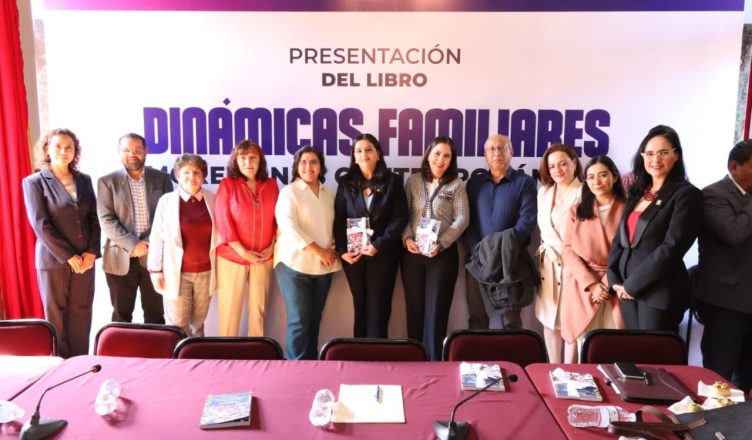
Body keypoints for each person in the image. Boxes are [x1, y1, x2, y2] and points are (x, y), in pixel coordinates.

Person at [608, 125, 702, 332]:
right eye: (650, 153)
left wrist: (632, 285)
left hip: (658, 294)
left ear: (676, 155)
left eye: (663, 153)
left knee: (653, 353)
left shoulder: (686, 194)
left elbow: (672, 247)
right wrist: (614, 279)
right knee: (632, 349)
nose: (656, 159)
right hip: (625, 290)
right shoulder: (638, 192)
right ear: (642, 156)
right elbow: (620, 239)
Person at [22, 128, 101, 357]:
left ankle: (79, 364)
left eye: (69, 147)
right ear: (47, 149)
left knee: (82, 314)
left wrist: (91, 253)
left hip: (85, 262)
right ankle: (60, 367)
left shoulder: (84, 180)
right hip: (53, 261)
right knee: (56, 317)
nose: (64, 151)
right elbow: (40, 224)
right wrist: (69, 256)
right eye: (58, 146)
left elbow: (94, 219)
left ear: (75, 151)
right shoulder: (34, 182)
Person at [401, 136, 469, 360]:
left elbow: (462, 219)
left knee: (436, 311)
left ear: (452, 160)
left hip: (442, 256)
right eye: (437, 153)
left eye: (446, 155)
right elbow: (404, 214)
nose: (441, 159)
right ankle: (414, 358)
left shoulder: (456, 185)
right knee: (415, 309)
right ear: (428, 155)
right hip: (413, 254)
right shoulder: (413, 181)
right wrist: (406, 238)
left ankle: (434, 361)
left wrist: (441, 243)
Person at [334, 134, 408, 338]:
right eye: (358, 151)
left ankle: (378, 350)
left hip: (383, 254)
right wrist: (342, 251)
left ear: (378, 154)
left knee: (379, 306)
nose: (363, 154)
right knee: (360, 304)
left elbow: (400, 217)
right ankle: (359, 350)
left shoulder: (393, 181)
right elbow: (339, 218)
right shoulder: (345, 182)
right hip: (354, 256)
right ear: (354, 156)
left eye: (368, 149)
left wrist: (378, 245)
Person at [462, 134, 537, 329]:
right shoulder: (474, 184)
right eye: (492, 149)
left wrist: (500, 249)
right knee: (477, 319)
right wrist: (480, 250)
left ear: (511, 152)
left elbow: (527, 222)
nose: (497, 153)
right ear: (485, 155)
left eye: (502, 148)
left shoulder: (525, 183)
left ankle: (511, 352)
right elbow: (466, 221)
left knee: (511, 321)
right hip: (478, 261)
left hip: (510, 260)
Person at [695, 139, 752, 393]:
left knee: (746, 382)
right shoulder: (712, 194)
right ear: (734, 167)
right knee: (719, 382)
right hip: (725, 305)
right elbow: (734, 234)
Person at [97, 133, 173, 324]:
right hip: (119, 257)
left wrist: (147, 244)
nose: (132, 154)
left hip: (155, 257)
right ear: (119, 152)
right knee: (121, 316)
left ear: (146, 150)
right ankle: (121, 345)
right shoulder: (107, 181)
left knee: (156, 315)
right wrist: (133, 245)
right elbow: (106, 219)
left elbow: (169, 216)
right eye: (126, 150)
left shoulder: (162, 179)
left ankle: (156, 346)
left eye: (137, 150)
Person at [274, 146, 341, 360]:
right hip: (294, 266)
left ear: (321, 166)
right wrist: (319, 251)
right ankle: (296, 368)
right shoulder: (289, 192)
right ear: (296, 166)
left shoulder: (329, 193)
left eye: (313, 162)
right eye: (303, 162)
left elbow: (334, 226)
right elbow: (290, 228)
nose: (308, 167)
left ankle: (311, 367)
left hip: (323, 267)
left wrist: (332, 250)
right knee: (299, 320)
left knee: (314, 321)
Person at [560, 156, 626, 357]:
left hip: (617, 284)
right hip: (583, 286)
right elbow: (567, 250)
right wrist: (593, 284)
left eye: (603, 175)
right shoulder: (578, 210)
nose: (596, 181)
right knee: (585, 348)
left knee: (614, 348)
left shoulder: (629, 210)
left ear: (614, 176)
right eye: (590, 177)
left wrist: (606, 283)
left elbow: (631, 251)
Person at [147, 154, 219, 337]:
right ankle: (178, 355)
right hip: (177, 273)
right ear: (177, 175)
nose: (192, 177)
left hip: (206, 272)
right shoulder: (167, 201)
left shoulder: (213, 199)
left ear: (203, 176)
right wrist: (155, 270)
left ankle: (197, 354)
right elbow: (157, 237)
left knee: (198, 323)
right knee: (178, 324)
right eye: (186, 172)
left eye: (197, 172)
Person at [215, 140, 279, 337]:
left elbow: (277, 220)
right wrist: (243, 252)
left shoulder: (271, 185)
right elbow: (223, 221)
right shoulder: (227, 185)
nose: (248, 162)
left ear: (260, 160)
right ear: (235, 161)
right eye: (242, 158)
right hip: (232, 257)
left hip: (263, 256)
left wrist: (271, 246)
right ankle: (227, 350)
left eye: (252, 158)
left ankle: (256, 350)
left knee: (259, 310)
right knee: (229, 311)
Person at [535, 144, 583, 364]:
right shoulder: (544, 192)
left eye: (563, 164)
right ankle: (553, 368)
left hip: (574, 264)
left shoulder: (584, 191)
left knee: (571, 321)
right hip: (548, 263)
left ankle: (570, 370)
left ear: (574, 163)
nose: (558, 170)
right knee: (549, 319)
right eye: (552, 166)